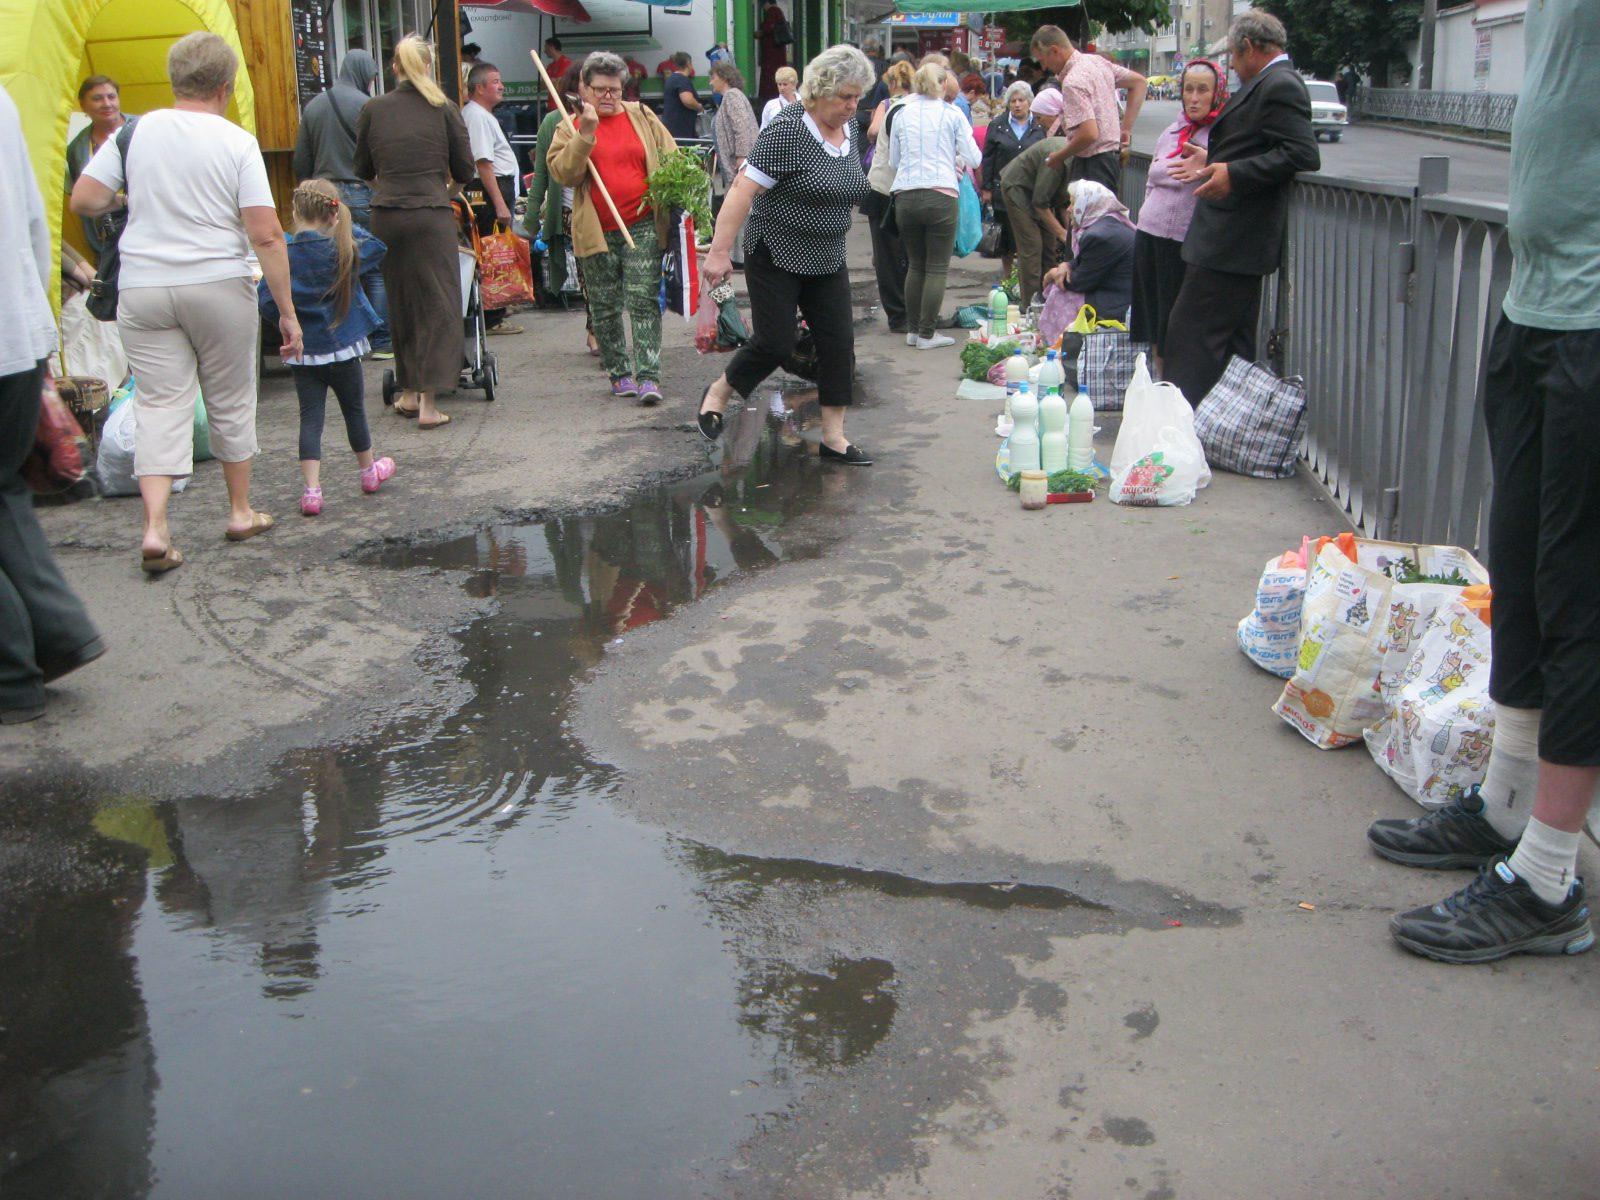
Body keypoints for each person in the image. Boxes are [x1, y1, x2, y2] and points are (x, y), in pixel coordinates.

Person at [1368, 0, 1600, 965]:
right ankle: (1508, 807)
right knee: (1524, 575)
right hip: (1538, 304)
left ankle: (1549, 877)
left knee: (1580, 595)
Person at [71, 31, 300, 570]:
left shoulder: (134, 131)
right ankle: (240, 511)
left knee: (158, 402)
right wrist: (287, 314)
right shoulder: (235, 142)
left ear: (176, 80)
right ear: (224, 86)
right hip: (217, 284)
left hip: (145, 286)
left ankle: (155, 528)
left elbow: (86, 198)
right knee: (230, 397)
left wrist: (137, 193)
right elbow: (265, 235)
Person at [696, 45, 874, 465]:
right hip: (776, 249)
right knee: (775, 342)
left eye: (857, 97)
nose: (853, 106)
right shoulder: (787, 131)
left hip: (827, 254)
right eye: (844, 97)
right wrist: (719, 253)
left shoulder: (848, 132)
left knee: (838, 345)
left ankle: (834, 438)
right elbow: (742, 190)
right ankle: (720, 392)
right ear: (818, 92)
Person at [0, 81, 104, 724]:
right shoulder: (6, 100)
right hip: (17, 331)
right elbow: (36, 218)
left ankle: (12, 674)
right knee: (6, 491)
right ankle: (62, 633)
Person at [1162, 11, 1319, 407]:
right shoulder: (1269, 83)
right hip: (1230, 238)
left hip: (1234, 240)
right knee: (1228, 342)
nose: (1232, 63)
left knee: (1190, 335)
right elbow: (1254, 144)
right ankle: (1215, 424)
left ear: (1249, 47)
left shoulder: (1280, 84)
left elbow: (1301, 152)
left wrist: (1234, 173)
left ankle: (1181, 424)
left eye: (1232, 54)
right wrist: (1213, 159)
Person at [353, 34, 475, 429]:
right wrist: (447, 191)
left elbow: (361, 168)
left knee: (402, 302)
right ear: (428, 66)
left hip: (387, 214)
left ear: (394, 68)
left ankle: (407, 393)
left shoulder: (374, 108)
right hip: (429, 214)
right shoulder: (444, 108)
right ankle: (428, 404)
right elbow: (464, 170)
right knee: (438, 304)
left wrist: (386, 189)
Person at [260, 179, 395, 517]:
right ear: (334, 213)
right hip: (345, 345)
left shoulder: (285, 254)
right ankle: (368, 472)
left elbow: (265, 297)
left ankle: (312, 490)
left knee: (310, 419)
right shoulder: (344, 248)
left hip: (304, 350)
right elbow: (378, 247)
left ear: (293, 212)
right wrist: (345, 224)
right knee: (354, 411)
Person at [549, 51, 678, 405]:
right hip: (596, 229)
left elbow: (670, 158)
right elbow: (565, 174)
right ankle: (620, 373)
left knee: (643, 299)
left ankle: (649, 376)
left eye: (615, 90)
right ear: (584, 89)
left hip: (642, 223)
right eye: (600, 89)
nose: (608, 96)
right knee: (605, 306)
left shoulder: (642, 117)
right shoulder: (568, 125)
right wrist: (585, 134)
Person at [1128, 60, 1226, 373]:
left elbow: (1226, 179)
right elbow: (1150, 181)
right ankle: (1161, 385)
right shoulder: (1171, 132)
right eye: (1188, 89)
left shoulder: (1222, 136)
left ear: (1217, 94)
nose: (1194, 97)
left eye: (1202, 90)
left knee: (1180, 324)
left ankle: (1180, 392)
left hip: (1186, 243)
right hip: (1150, 234)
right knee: (1156, 319)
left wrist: (1207, 163)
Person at [293, 49, 391, 358]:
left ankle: (343, 340)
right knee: (372, 269)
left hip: (324, 201)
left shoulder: (314, 106)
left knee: (334, 269)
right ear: (364, 73)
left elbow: (302, 160)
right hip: (363, 194)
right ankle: (380, 340)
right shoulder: (369, 106)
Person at [888, 62, 981, 350]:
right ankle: (928, 333)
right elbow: (975, 159)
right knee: (937, 267)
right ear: (941, 85)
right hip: (941, 194)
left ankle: (913, 330)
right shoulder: (952, 114)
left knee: (915, 264)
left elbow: (894, 161)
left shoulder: (901, 113)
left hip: (905, 195)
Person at [526, 62, 598, 353]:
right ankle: (596, 330)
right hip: (573, 210)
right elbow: (542, 175)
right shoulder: (554, 121)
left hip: (608, 207)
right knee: (589, 273)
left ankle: (602, 328)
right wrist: (531, 222)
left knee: (607, 276)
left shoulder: (606, 115)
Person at [1032, 24, 1146, 192]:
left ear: (1055, 51)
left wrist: (1059, 156)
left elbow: (1089, 133)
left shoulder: (1072, 82)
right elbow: (1139, 82)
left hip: (1092, 163)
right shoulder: (1097, 62)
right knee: (1104, 215)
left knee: (1088, 215)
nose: (1043, 67)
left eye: (1042, 60)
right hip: (1109, 160)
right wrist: (1126, 129)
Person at [462, 61, 524, 336]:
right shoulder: (475, 116)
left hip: (497, 188)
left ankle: (497, 309)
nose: (501, 87)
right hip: (488, 192)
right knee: (491, 250)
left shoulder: (483, 114)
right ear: (479, 88)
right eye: (495, 81)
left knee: (496, 250)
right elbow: (483, 162)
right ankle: (491, 317)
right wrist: (499, 202)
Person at [863, 59, 914, 334]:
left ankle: (897, 313)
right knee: (905, 252)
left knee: (886, 255)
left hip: (882, 186)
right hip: (899, 188)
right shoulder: (912, 109)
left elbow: (872, 132)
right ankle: (906, 312)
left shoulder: (888, 106)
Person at [1040, 180, 1136, 321]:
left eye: (1073, 203)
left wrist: (1052, 274)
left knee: (1059, 291)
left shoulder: (1099, 235)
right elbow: (1084, 261)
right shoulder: (1108, 222)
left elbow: (1080, 282)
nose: (1069, 209)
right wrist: (1068, 265)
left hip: (1118, 302)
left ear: (1087, 205)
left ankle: (1062, 340)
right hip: (1118, 291)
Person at [980, 81, 1046, 278]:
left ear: (1029, 102)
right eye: (1013, 101)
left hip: (1030, 190)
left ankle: (1025, 277)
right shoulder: (997, 125)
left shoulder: (1039, 126)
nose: (1017, 105)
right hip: (1004, 190)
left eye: (1021, 100)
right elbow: (989, 157)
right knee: (1006, 239)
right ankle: (1008, 277)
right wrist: (987, 188)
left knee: (1027, 237)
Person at [998, 132, 1070, 309]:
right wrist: (1063, 233)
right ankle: (1030, 307)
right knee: (1032, 246)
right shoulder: (1057, 157)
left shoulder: (1080, 160)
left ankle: (1050, 302)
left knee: (1049, 248)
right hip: (1018, 187)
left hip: (1040, 193)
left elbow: (1063, 204)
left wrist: (1073, 236)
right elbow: (1040, 203)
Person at [64, 75, 130, 263]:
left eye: (112, 96)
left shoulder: (142, 128)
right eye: (97, 98)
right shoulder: (77, 149)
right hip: (108, 239)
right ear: (83, 105)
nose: (107, 103)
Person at [709, 62, 758, 268]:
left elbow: (741, 126)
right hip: (736, 164)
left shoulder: (732, 96)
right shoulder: (732, 97)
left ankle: (744, 256)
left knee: (741, 208)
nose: (711, 82)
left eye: (713, 77)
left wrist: (741, 156)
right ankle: (740, 255)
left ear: (723, 77)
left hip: (739, 163)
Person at [661, 51, 703, 141]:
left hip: (672, 127)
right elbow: (687, 100)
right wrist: (699, 106)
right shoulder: (682, 80)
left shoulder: (672, 78)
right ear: (688, 64)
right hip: (681, 129)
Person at [758, 3, 791, 102]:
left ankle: (770, 95)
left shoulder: (772, 12)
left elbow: (768, 28)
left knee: (771, 74)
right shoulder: (778, 12)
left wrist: (760, 33)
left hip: (772, 51)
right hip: (777, 49)